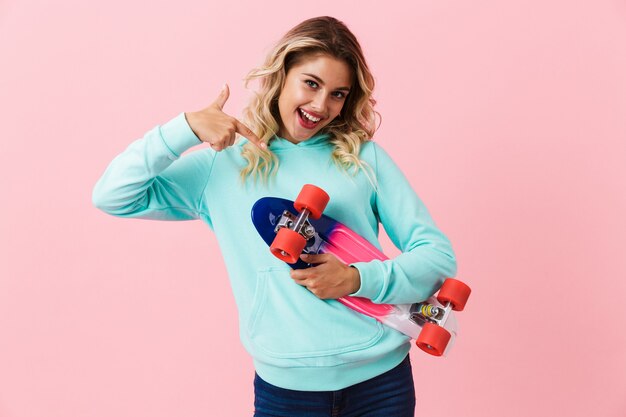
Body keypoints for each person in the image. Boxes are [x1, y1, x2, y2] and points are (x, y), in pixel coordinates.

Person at [92, 15, 457, 417]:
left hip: (381, 384)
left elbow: (436, 257)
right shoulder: (223, 166)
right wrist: (184, 129)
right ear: (281, 75)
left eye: (338, 94)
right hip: (287, 391)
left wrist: (356, 278)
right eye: (311, 83)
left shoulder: (363, 159)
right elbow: (114, 195)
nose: (321, 106)